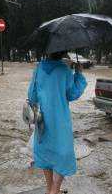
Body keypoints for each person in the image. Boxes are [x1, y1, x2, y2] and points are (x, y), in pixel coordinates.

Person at [27, 51, 87, 194]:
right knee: (62, 155)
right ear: (63, 52)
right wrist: (78, 74)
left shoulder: (39, 68)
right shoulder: (64, 70)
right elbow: (72, 94)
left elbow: (32, 96)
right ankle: (54, 191)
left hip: (43, 120)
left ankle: (49, 189)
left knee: (46, 154)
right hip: (60, 121)